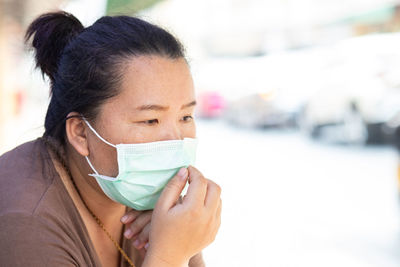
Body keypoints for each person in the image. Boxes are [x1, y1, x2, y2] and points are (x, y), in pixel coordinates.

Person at [0, 11, 221, 267]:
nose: (175, 140)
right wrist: (170, 255)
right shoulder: (25, 221)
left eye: (186, 117)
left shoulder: (133, 199)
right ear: (81, 133)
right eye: (150, 120)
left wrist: (189, 244)